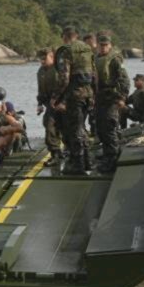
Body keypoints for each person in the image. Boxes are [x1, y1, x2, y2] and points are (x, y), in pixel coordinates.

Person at [53, 26, 95, 175]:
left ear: (64, 37)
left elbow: (64, 79)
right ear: (76, 35)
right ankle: (88, 161)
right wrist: (93, 94)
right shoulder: (87, 49)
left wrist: (56, 97)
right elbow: (94, 73)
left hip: (75, 95)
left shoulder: (66, 50)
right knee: (82, 127)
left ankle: (77, 164)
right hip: (88, 93)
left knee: (75, 129)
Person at [93, 33, 128, 173]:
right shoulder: (96, 59)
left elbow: (124, 80)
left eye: (105, 45)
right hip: (100, 98)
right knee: (100, 129)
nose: (103, 48)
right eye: (101, 45)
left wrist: (121, 97)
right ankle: (108, 155)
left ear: (110, 46)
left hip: (111, 98)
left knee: (109, 129)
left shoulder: (114, 60)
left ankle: (112, 160)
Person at [36, 48, 65, 164]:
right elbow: (40, 89)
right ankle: (55, 153)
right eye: (40, 59)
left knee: (67, 130)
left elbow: (67, 86)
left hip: (63, 102)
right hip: (50, 104)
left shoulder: (60, 68)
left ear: (52, 56)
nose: (42, 61)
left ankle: (70, 153)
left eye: (45, 58)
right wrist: (39, 103)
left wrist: (64, 103)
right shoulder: (41, 71)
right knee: (49, 125)